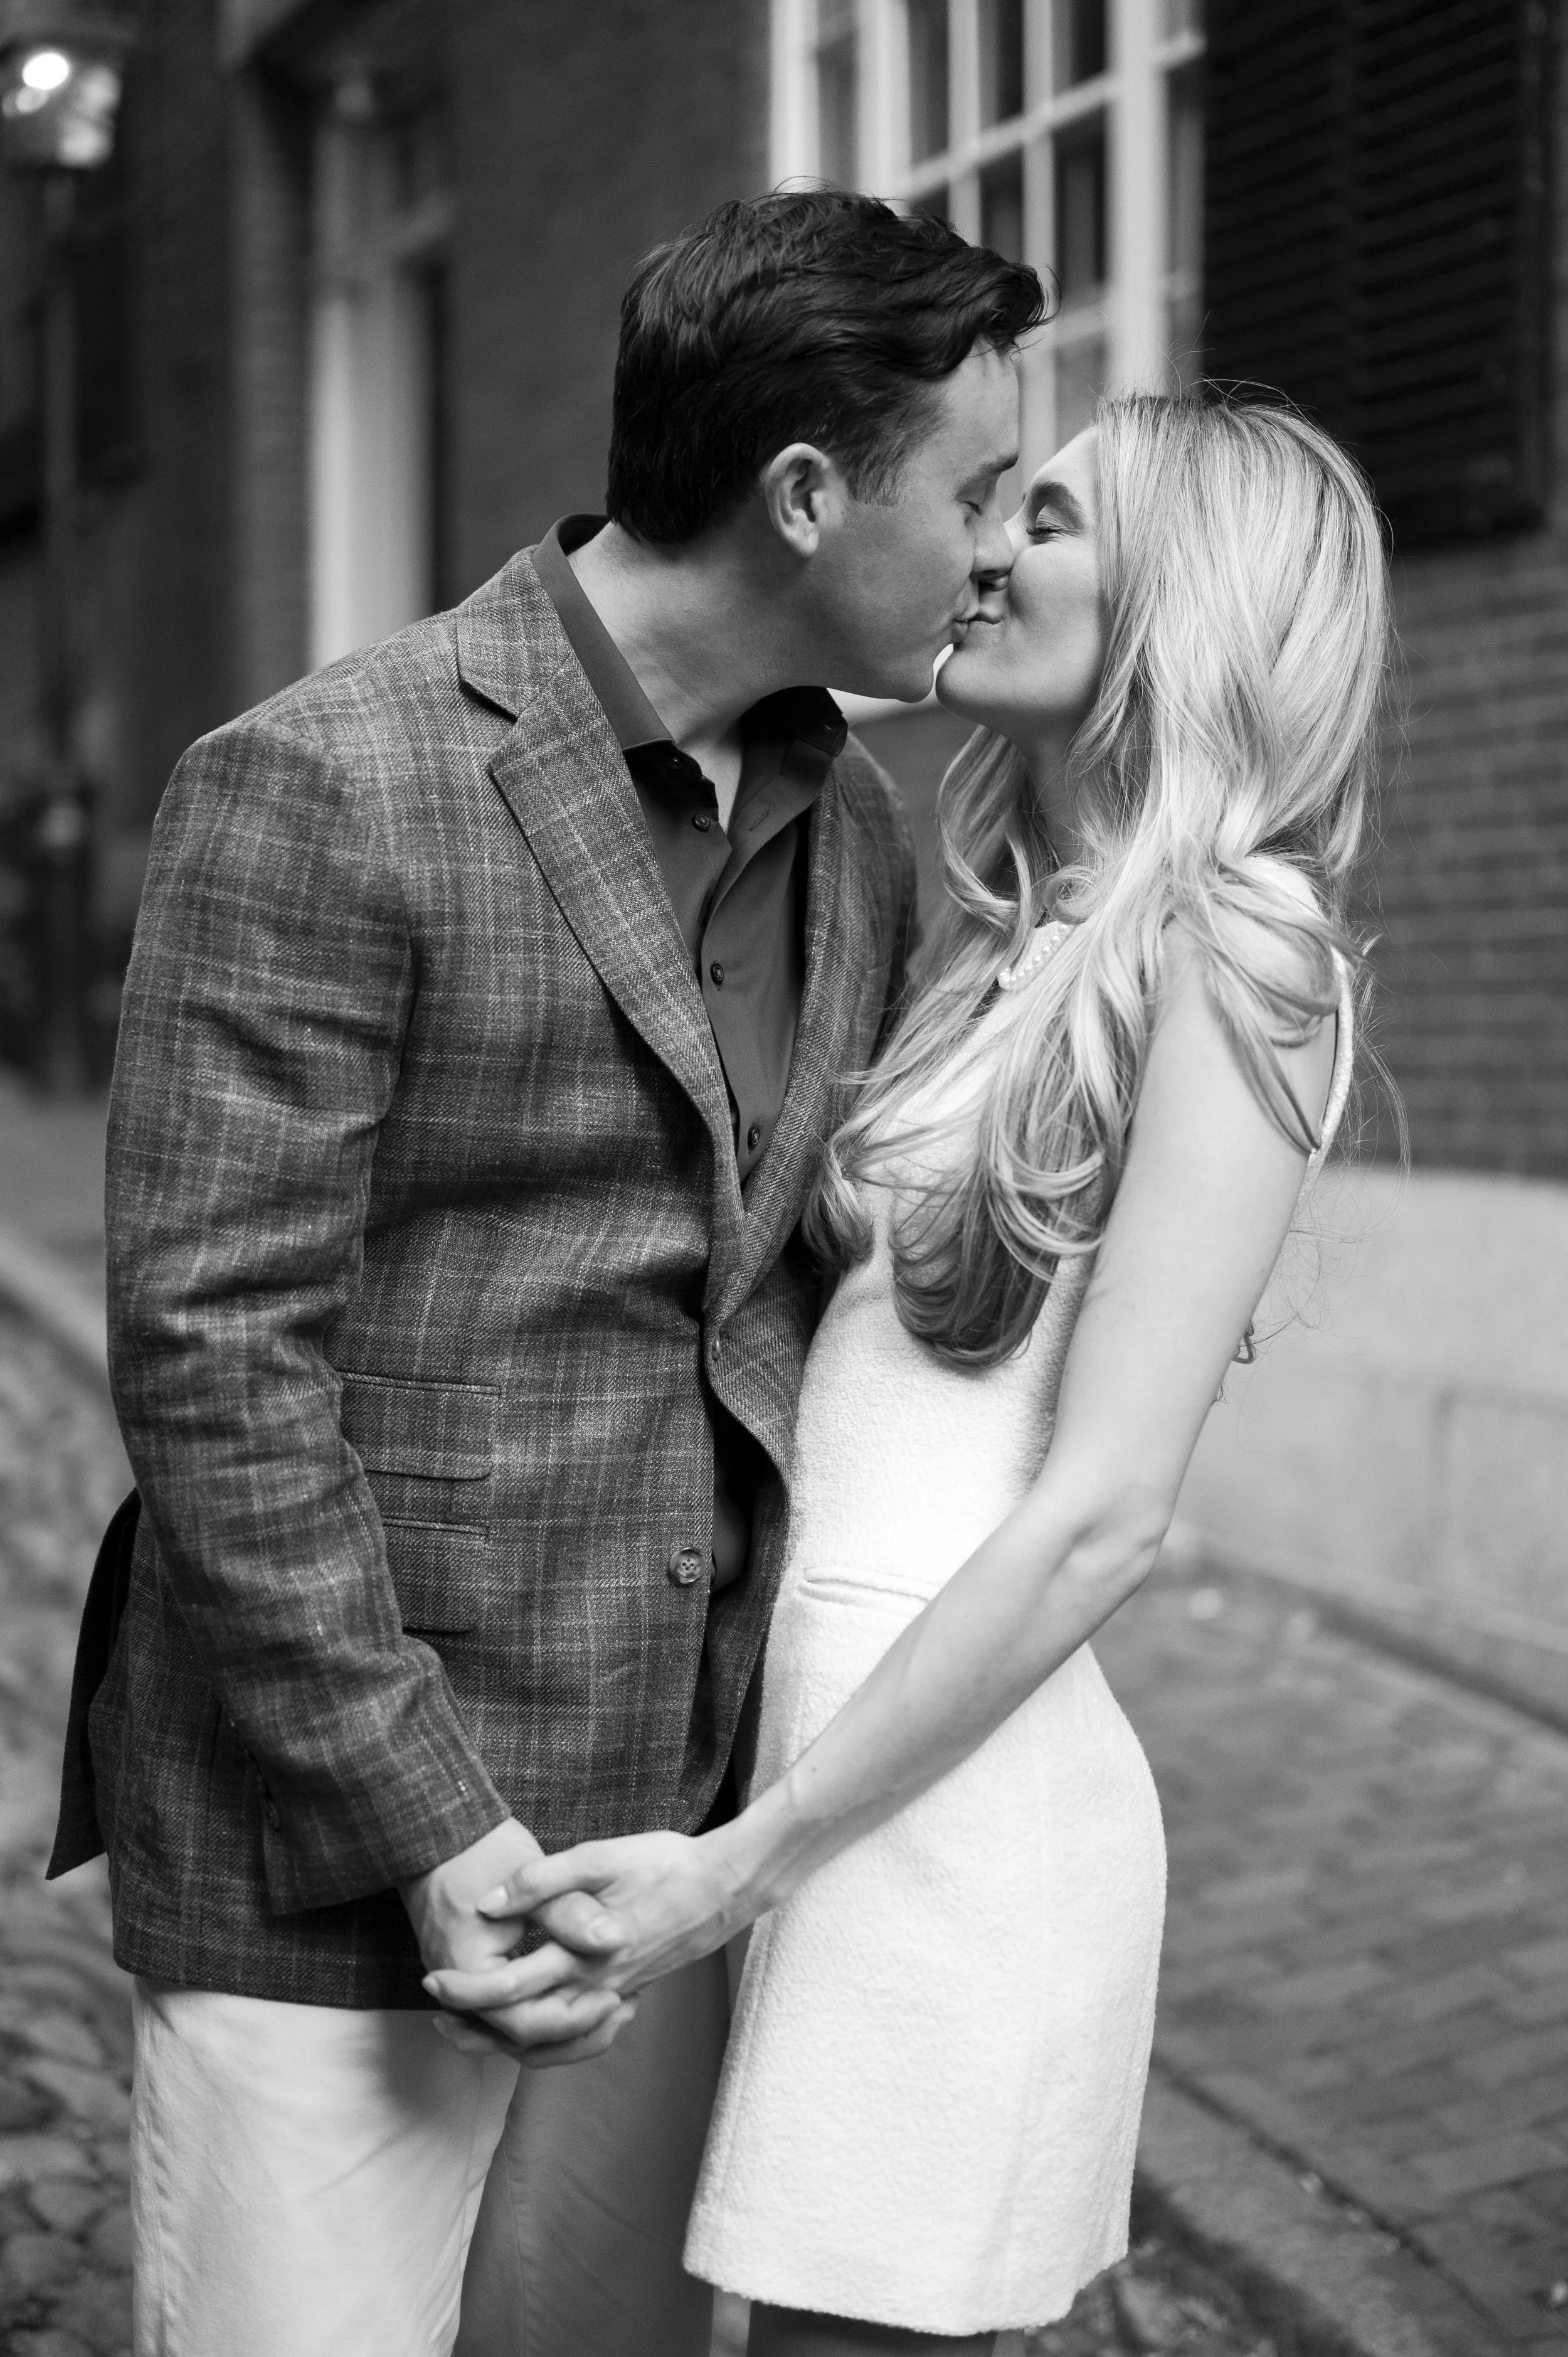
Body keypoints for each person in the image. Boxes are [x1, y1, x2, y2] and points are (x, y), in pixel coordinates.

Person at [45, 189, 1044, 2357]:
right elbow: (220, 1361)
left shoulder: (853, 817)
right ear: (802, 494)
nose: (997, 549)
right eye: (973, 491)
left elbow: (775, 1282)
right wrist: (429, 1831)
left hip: (671, 1850)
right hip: (336, 1863)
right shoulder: (325, 776)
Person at [430, 391, 1391, 2355]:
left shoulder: (1240, 940)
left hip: (938, 1816)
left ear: (1187, 603)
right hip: (783, 1764)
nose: (982, 551)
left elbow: (1105, 1513)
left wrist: (752, 1858)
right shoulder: (1009, 931)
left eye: (1043, 518)